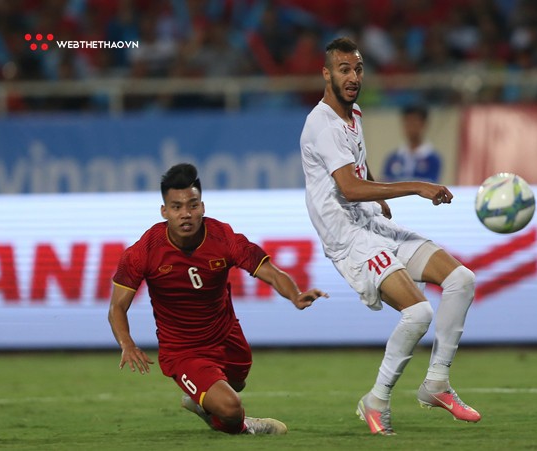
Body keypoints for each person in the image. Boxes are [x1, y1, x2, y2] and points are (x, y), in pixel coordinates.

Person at [300, 37, 480, 436]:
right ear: (326, 74)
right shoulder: (322, 123)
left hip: (368, 220)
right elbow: (347, 187)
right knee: (418, 313)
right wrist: (416, 186)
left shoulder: (353, 113)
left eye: (358, 69)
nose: (353, 77)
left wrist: (376, 193)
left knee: (461, 280)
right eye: (344, 69)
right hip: (347, 236)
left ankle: (437, 383)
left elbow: (358, 176)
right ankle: (376, 401)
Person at [108, 163, 328, 436]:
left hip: (227, 337)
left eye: (193, 205)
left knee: (237, 382)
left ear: (203, 207)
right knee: (231, 408)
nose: (186, 214)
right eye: (176, 207)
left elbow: (270, 272)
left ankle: (200, 400)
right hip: (183, 351)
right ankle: (245, 425)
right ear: (164, 211)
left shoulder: (222, 238)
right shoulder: (144, 252)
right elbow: (117, 306)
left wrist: (294, 294)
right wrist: (126, 343)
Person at [381, 105, 442, 183]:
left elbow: (431, 183)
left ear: (424, 124)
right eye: (408, 123)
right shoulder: (393, 157)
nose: (411, 127)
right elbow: (385, 182)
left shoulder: (432, 158)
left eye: (415, 123)